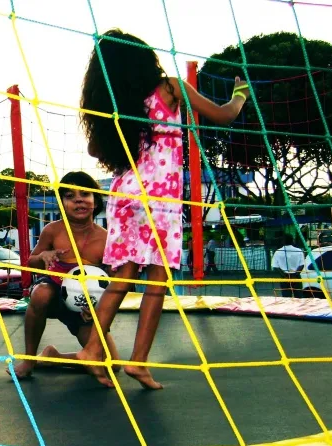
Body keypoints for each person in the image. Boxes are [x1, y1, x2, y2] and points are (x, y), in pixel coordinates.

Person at [75, 29, 248, 389]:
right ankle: (138, 361)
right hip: (161, 196)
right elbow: (223, 115)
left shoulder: (114, 105)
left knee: (123, 274)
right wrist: (241, 95)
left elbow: (94, 150)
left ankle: (92, 348)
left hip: (125, 193)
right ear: (143, 58)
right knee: (157, 278)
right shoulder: (169, 88)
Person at [10, 171, 121, 382]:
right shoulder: (53, 230)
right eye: (70, 196)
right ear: (61, 202)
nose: (78, 199)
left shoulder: (106, 238)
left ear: (96, 200)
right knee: (40, 293)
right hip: (54, 295)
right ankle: (29, 359)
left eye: (85, 194)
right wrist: (43, 256)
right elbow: (31, 263)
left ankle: (54, 358)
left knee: (112, 365)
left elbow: (113, 283)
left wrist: (97, 310)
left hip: (82, 307)